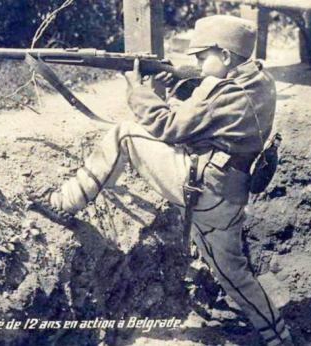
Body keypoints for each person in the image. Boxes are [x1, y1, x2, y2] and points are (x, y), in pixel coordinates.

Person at [26, 15, 294, 346]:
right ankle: (278, 337)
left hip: (205, 189)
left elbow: (169, 128)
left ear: (224, 56)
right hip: (231, 192)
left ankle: (63, 203)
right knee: (234, 275)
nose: (195, 62)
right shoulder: (258, 79)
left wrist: (138, 91)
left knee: (124, 134)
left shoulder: (221, 89)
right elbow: (213, 116)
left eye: (201, 57)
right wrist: (183, 84)